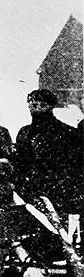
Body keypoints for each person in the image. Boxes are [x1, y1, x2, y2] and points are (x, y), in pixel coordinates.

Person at [13, 89, 82, 217]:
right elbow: (20, 165)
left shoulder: (67, 133)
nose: (37, 109)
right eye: (33, 105)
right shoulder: (24, 133)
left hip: (58, 195)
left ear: (51, 107)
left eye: (43, 105)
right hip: (31, 194)